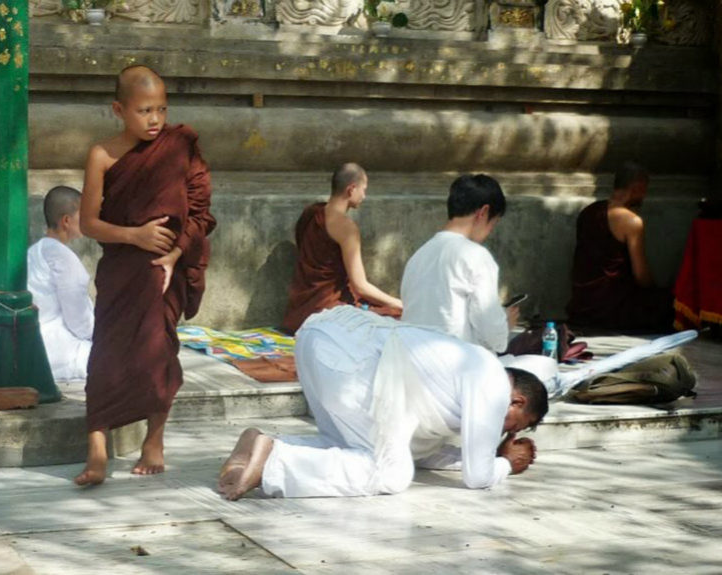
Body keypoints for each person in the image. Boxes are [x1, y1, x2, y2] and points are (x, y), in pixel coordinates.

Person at [217, 306, 547, 500]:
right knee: (392, 473)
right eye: (512, 426)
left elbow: (426, 454)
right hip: (353, 361)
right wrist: (505, 464)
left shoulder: (467, 367)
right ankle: (273, 464)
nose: (503, 434)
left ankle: (264, 446)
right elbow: (477, 478)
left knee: (346, 446)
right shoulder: (491, 381)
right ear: (515, 402)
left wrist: (490, 456)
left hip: (321, 336)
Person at [74, 65, 216, 486]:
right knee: (106, 357)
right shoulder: (102, 155)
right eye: (143, 110)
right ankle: (96, 449)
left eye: (161, 109)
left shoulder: (179, 145)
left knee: (157, 354)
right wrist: (134, 235)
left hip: (162, 270)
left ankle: (154, 440)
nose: (155, 120)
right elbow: (88, 224)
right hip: (121, 266)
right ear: (119, 109)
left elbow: (201, 210)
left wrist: (174, 255)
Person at [400, 174, 519, 353]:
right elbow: (492, 332)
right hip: (457, 365)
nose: (489, 232)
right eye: (493, 224)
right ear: (483, 212)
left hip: (412, 359)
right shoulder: (476, 255)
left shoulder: (418, 256)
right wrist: (505, 324)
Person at [280, 163, 403, 333]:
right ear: (351, 189)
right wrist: (398, 303)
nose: (364, 196)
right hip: (327, 312)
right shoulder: (346, 228)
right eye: (363, 189)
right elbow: (360, 286)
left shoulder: (311, 213)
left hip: (298, 312)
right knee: (396, 317)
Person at [566, 162, 673, 331]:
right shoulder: (632, 221)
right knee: (669, 302)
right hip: (614, 307)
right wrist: (657, 292)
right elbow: (641, 275)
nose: (644, 196)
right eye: (644, 190)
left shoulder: (588, 212)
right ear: (637, 187)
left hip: (582, 304)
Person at [27, 186, 94, 381]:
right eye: (83, 214)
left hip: (33, 341)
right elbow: (78, 320)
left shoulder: (35, 250)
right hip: (57, 347)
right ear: (66, 221)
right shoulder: (62, 257)